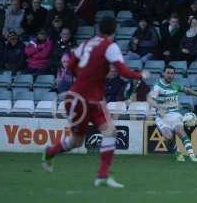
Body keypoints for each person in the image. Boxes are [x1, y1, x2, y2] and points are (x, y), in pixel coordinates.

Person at [42, 16, 150, 188]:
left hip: (82, 98)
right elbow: (122, 69)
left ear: (99, 29)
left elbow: (70, 65)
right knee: (80, 141)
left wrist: (84, 77)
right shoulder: (110, 46)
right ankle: (51, 151)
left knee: (105, 133)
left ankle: (102, 176)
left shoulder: (86, 43)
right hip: (85, 99)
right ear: (114, 31)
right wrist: (139, 75)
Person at [147, 65, 197, 162]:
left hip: (175, 114)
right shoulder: (157, 86)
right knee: (168, 137)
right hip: (162, 117)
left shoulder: (175, 85)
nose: (170, 75)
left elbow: (186, 90)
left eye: (172, 73)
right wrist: (158, 107)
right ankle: (177, 152)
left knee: (180, 131)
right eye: (168, 73)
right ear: (164, 73)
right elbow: (150, 99)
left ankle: (192, 155)